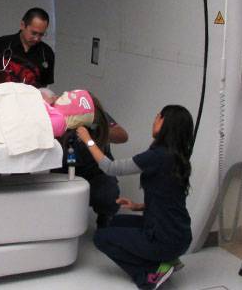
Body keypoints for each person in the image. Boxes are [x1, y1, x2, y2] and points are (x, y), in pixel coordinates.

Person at [77, 105, 194, 290]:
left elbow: (111, 168)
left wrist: (88, 140)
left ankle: (150, 274)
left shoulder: (157, 156)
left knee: (101, 238)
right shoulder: (178, 157)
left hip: (165, 238)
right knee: (114, 223)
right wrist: (138, 206)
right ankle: (168, 259)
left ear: (167, 124)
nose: (154, 120)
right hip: (179, 234)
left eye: (158, 117)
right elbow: (170, 199)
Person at [46, 88, 128, 228]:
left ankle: (105, 218)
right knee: (52, 199)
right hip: (63, 170)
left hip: (95, 170)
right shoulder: (56, 115)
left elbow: (122, 136)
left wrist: (96, 129)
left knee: (108, 195)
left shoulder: (93, 115)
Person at [0, 7, 55, 88]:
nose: (37, 38)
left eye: (41, 34)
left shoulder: (47, 53)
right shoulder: (0, 44)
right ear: (22, 25)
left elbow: (44, 85)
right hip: (2, 98)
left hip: (30, 99)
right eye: (34, 33)